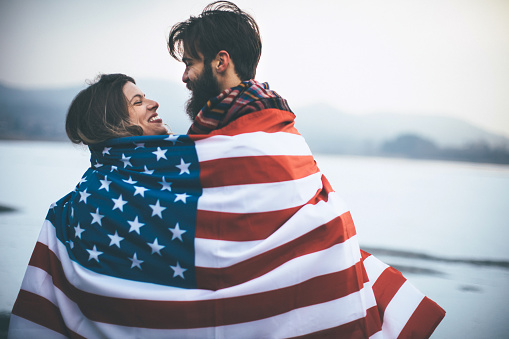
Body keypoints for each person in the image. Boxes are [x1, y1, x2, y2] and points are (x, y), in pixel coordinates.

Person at [65, 73, 169, 144]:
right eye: (137, 102)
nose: (155, 104)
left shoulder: (181, 159)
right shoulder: (102, 177)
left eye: (145, 98)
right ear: (112, 124)